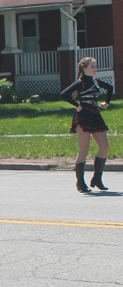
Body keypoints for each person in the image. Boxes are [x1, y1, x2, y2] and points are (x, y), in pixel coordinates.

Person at [61, 57, 113, 193]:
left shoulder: (95, 81)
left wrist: (107, 103)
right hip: (83, 117)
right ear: (84, 69)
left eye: (96, 66)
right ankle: (80, 182)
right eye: (92, 66)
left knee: (105, 147)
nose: (95, 68)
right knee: (84, 149)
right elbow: (64, 94)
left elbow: (110, 88)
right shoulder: (81, 82)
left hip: (96, 116)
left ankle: (97, 179)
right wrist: (77, 106)